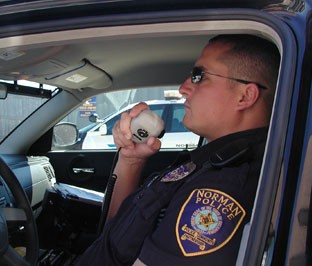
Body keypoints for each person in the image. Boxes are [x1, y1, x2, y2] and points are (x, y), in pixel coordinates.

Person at [75, 34, 280, 266]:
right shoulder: (209, 164)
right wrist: (131, 159)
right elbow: (121, 232)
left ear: (245, 96)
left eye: (198, 76)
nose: (183, 88)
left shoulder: (222, 189)